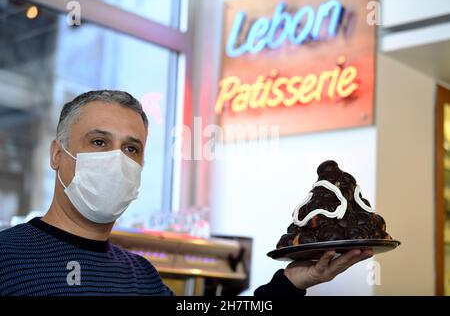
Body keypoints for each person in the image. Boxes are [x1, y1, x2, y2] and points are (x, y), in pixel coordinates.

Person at [0, 90, 372, 296]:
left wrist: (291, 282)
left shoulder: (141, 276)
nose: (117, 159)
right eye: (99, 141)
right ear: (56, 154)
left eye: (131, 149)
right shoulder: (7, 259)